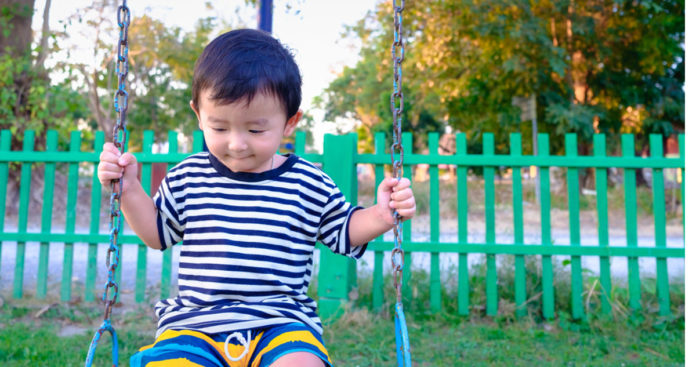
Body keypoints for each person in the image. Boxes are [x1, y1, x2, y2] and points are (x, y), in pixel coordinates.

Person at [98, 28, 416, 367]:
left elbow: (343, 229)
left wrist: (381, 215)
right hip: (194, 327)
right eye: (219, 128)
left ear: (290, 122)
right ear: (198, 115)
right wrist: (129, 189)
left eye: (255, 130)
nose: (236, 143)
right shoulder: (187, 177)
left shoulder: (307, 181)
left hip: (281, 324)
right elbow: (156, 233)